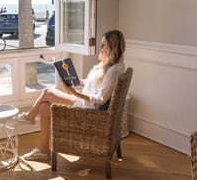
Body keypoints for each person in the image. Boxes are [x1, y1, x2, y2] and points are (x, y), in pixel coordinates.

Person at [19, 29, 127, 160]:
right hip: (84, 102)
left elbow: (100, 99)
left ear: (114, 45)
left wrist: (73, 92)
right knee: (44, 107)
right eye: (101, 43)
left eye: (104, 44)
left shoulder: (113, 70)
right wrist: (74, 80)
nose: (100, 47)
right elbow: (92, 84)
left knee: (47, 92)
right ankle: (43, 150)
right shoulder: (109, 64)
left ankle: (29, 118)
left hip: (89, 109)